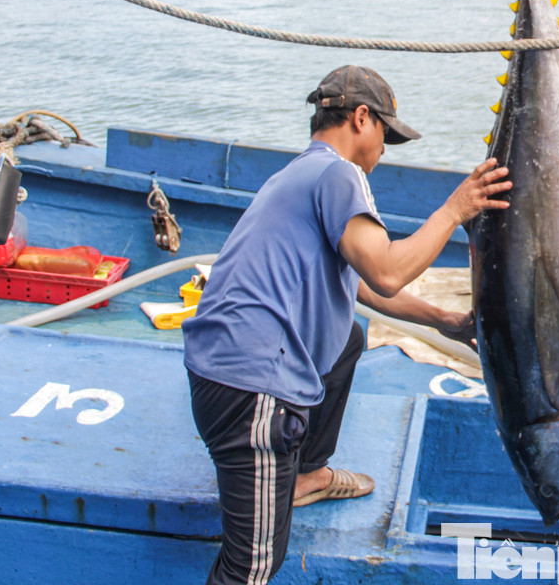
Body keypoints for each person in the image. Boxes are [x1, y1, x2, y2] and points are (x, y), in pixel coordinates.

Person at [183, 64, 511, 585]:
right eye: (386, 134)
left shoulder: (301, 171)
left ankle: (306, 473)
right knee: (252, 565)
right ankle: (282, 474)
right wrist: (455, 209)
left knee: (348, 339)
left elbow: (356, 284)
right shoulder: (339, 174)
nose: (385, 150)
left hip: (223, 370)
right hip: (250, 391)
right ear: (362, 118)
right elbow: (384, 271)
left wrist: (444, 320)